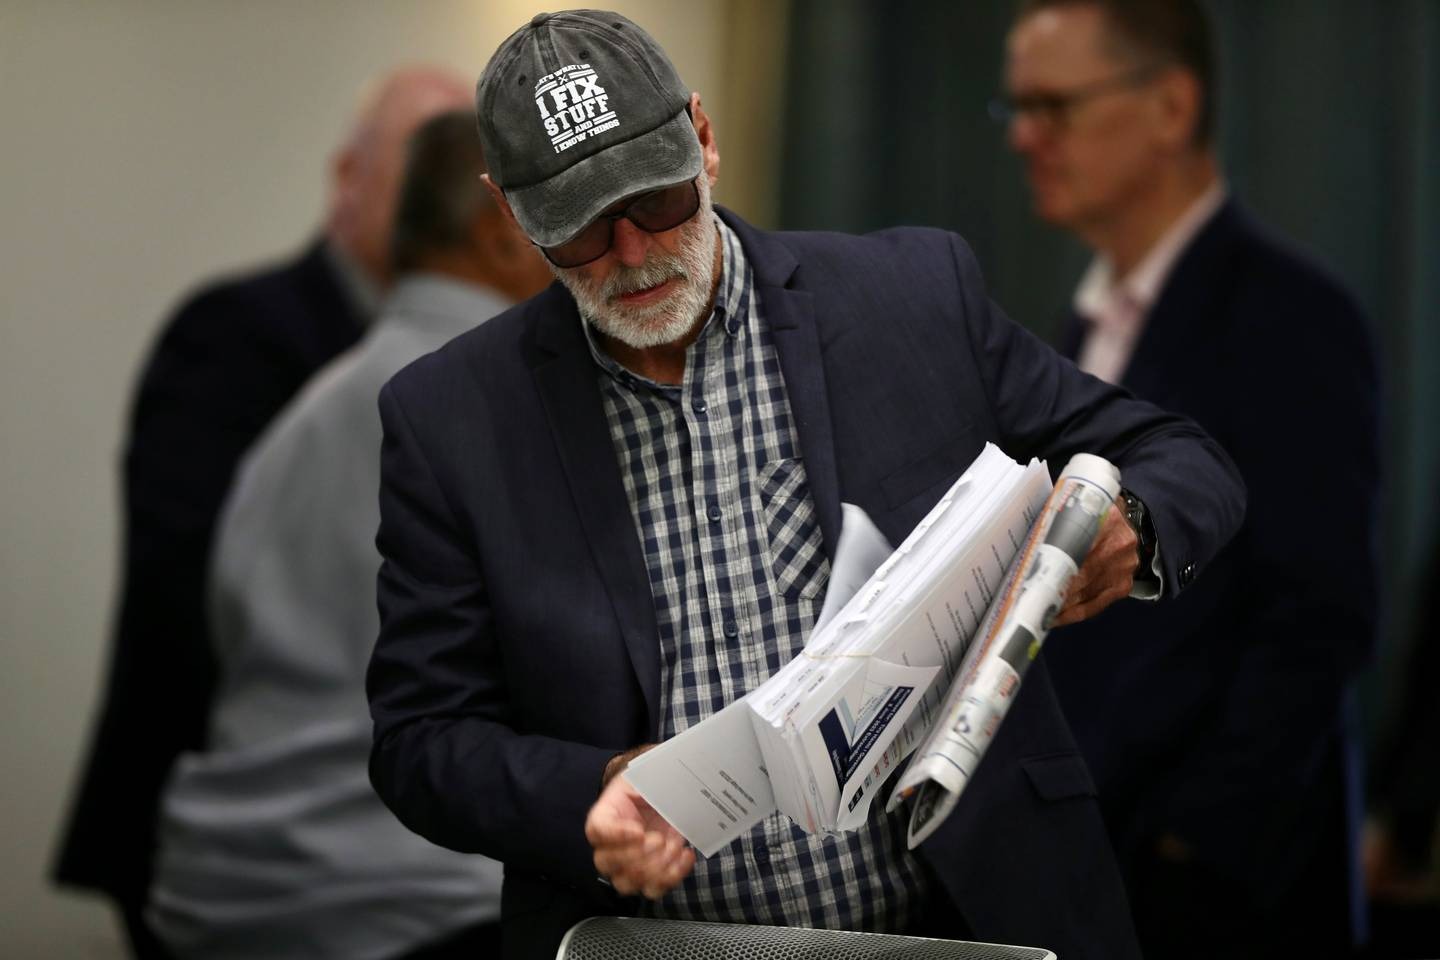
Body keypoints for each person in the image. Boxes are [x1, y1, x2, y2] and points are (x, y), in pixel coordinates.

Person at [366, 11, 1245, 960]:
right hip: (668, 945)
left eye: (655, 202)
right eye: (578, 230)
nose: (631, 254)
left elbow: (1177, 452)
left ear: (702, 140)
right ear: (509, 213)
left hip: (971, 922)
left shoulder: (909, 297)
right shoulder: (452, 419)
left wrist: (1131, 525)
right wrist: (595, 788)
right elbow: (420, 741)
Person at [54, 67, 472, 958]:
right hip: (253, 828)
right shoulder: (238, 333)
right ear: (347, 182)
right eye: (423, 164)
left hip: (373, 839)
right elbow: (196, 581)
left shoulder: (466, 362)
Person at [999, 1, 1381, 956]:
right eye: (1018, 110)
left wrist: (1189, 849)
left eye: (1055, 105)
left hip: (1219, 894)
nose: (1028, 137)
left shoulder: (1293, 319)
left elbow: (1317, 619)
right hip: (1093, 868)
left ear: (1170, 107)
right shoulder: (1078, 328)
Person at [143, 110, 552, 960]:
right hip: (416, 902)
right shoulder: (509, 412)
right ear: (506, 235)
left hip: (220, 896)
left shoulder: (304, 413)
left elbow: (226, 637)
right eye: (577, 214)